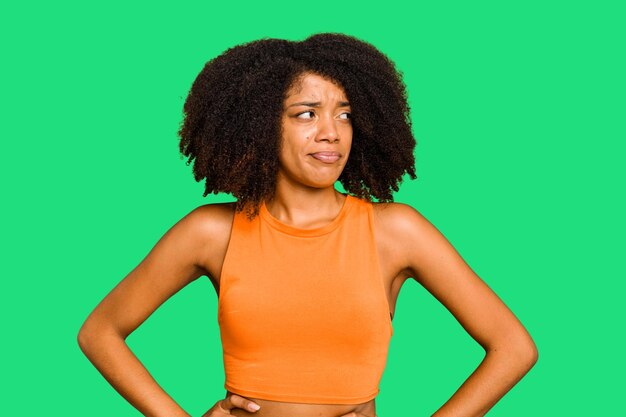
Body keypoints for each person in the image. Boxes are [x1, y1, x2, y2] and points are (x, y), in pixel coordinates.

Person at [77, 33, 538, 417]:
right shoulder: (212, 231)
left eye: (345, 114)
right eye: (306, 114)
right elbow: (99, 331)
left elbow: (514, 348)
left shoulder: (395, 231)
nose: (331, 133)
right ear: (259, 123)